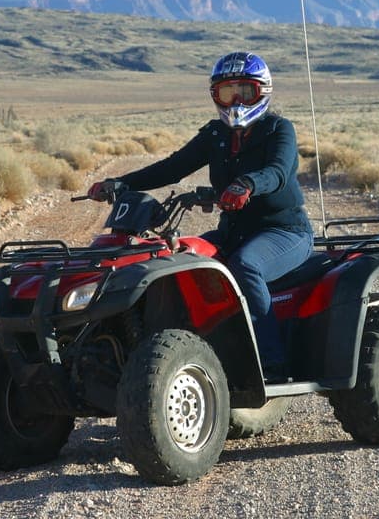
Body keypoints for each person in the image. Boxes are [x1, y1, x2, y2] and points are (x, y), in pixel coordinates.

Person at [87, 51, 313, 381]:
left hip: (284, 231)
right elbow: (171, 168)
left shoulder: (279, 129)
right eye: (226, 92)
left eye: (245, 91)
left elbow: (278, 171)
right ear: (215, 95)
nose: (236, 99)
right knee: (177, 259)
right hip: (233, 232)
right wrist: (120, 183)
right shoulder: (216, 135)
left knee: (246, 266)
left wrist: (247, 184)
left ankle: (271, 363)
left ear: (262, 91)